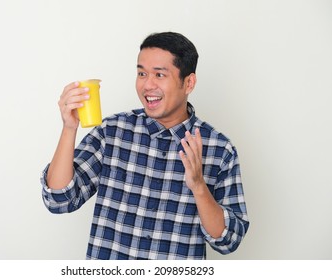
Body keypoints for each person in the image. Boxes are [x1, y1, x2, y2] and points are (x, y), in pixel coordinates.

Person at [41, 32, 249, 260]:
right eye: (141, 73)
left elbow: (228, 241)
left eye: (159, 74)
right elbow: (59, 200)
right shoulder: (113, 131)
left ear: (188, 82)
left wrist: (199, 186)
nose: (147, 85)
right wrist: (69, 128)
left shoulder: (219, 150)